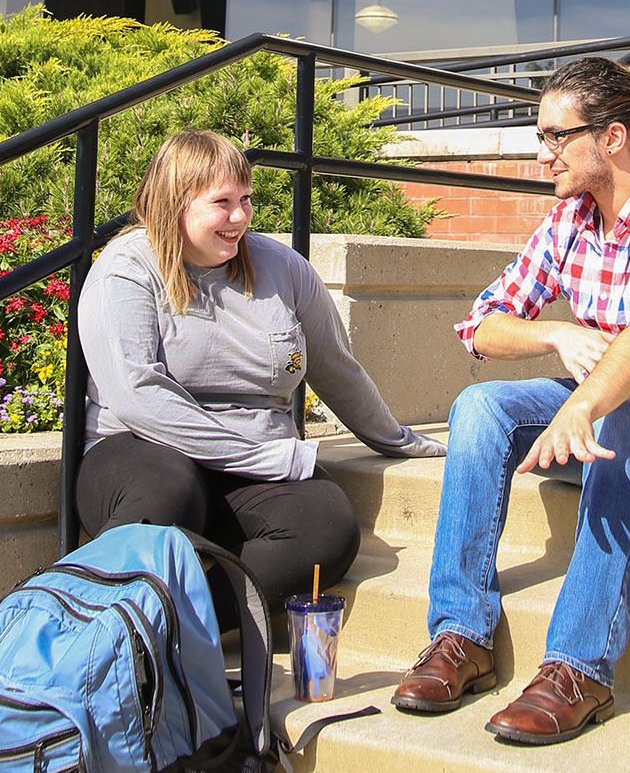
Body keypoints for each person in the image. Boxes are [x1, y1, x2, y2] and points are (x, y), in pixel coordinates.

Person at [390, 56, 630, 745]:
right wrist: (554, 333)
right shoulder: (569, 222)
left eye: (556, 136)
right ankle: (463, 636)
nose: (543, 151)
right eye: (542, 136)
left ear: (610, 138)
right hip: (596, 410)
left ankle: (578, 668)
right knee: (480, 409)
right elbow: (481, 326)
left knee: (626, 416)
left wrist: (585, 404)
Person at [76, 129, 445, 615]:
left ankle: (182, 627)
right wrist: (261, 457)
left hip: (250, 462)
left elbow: (336, 369)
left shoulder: (283, 269)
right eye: (222, 202)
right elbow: (136, 394)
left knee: (326, 526)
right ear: (173, 203)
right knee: (169, 497)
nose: (240, 217)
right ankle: (111, 627)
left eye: (246, 199)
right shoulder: (125, 270)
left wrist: (400, 439)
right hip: (143, 450)